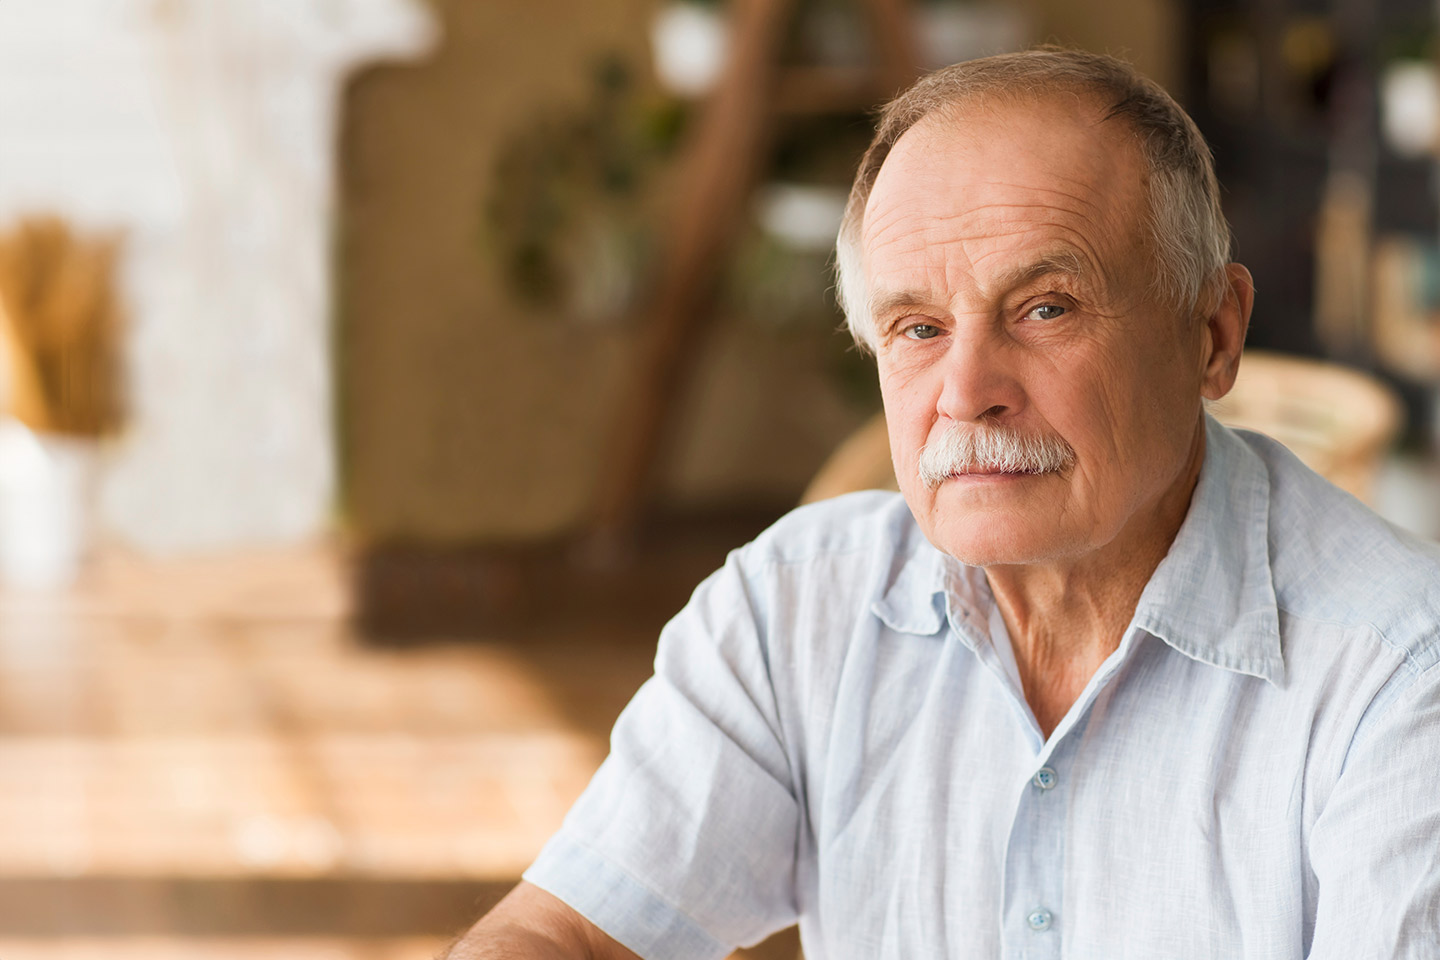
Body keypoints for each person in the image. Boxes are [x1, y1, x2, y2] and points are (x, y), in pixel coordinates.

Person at [445, 48, 1440, 959]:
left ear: (1212, 335)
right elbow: (564, 932)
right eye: (918, 328)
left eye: (1044, 308)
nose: (966, 393)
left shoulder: (1401, 671)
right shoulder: (794, 609)